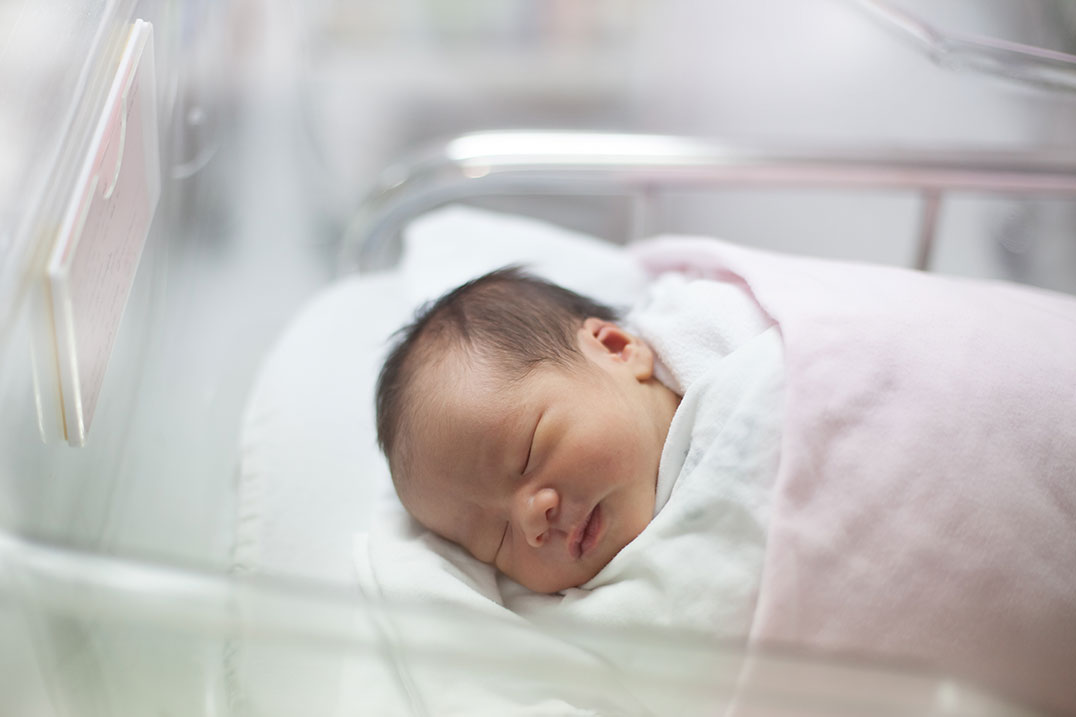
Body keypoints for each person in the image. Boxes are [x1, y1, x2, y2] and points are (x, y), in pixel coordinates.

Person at [375, 267, 681, 594]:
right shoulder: (590, 614)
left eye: (528, 456)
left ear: (615, 349)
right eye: (498, 539)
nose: (532, 522)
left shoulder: (729, 373)